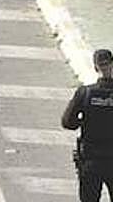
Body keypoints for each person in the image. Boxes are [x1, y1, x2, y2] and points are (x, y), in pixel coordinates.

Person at [62, 48, 113, 202]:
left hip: (91, 159)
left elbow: (67, 122)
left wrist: (84, 121)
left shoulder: (85, 93)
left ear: (95, 67)